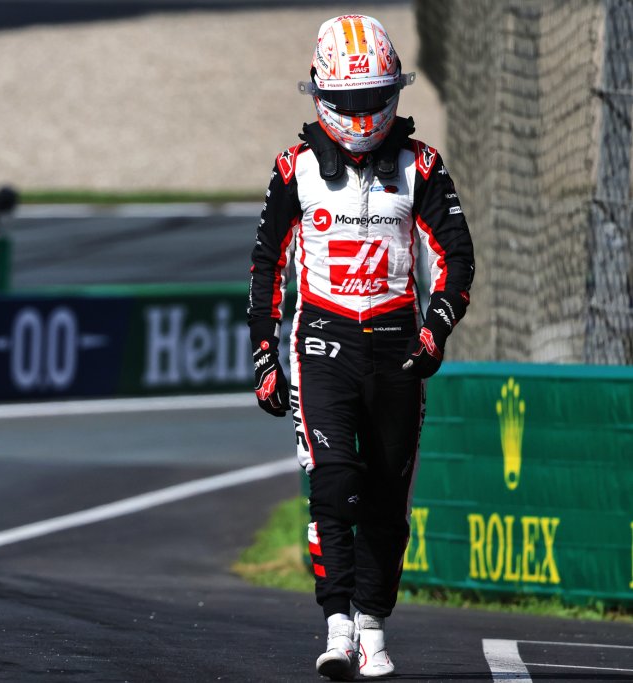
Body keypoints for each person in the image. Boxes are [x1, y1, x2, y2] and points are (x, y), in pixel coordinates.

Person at [247, 14, 474, 681]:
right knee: (334, 483)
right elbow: (267, 265)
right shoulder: (294, 170)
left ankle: (373, 623)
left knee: (386, 498)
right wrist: (264, 356)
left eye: (375, 98)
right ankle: (338, 623)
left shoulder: (422, 167)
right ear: (319, 95)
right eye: (348, 101)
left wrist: (436, 327)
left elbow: (456, 258)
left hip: (400, 346)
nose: (362, 113)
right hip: (322, 340)